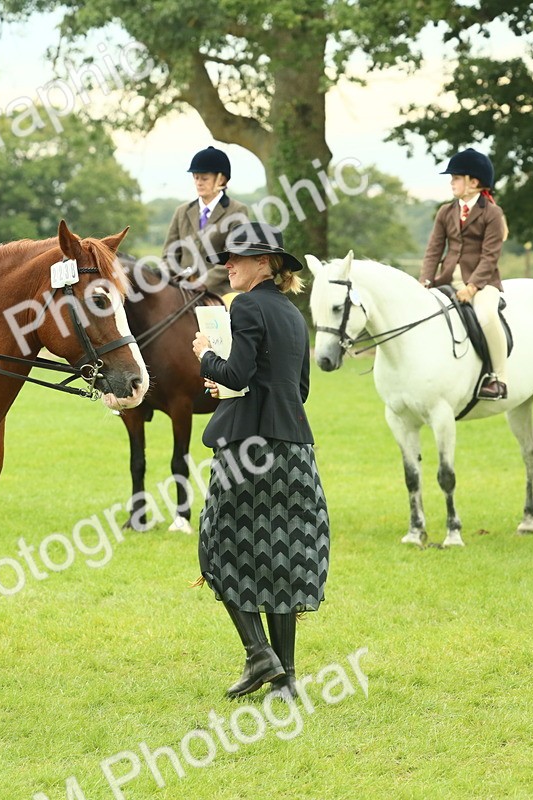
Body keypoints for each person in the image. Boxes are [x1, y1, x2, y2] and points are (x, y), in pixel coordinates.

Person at [190, 222, 330, 699]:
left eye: (238, 258)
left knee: (217, 547)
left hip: (249, 449)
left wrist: (208, 358)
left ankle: (258, 653)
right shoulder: (293, 314)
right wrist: (230, 388)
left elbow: (239, 370)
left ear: (266, 264)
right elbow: (298, 389)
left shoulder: (246, 305)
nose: (228, 265)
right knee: (282, 556)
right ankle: (286, 679)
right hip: (294, 449)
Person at [421, 147, 509, 400]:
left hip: (482, 283)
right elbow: (433, 251)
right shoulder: (445, 212)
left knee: (486, 315)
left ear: (474, 182)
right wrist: (425, 281)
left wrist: (472, 287)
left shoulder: (492, 213)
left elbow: (490, 256)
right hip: (447, 281)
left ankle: (499, 378)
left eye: (456, 177)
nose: (451, 182)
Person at [162, 146, 251, 297]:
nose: (198, 183)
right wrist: (166, 277)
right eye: (196, 178)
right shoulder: (181, 212)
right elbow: (169, 255)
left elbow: (234, 256)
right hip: (181, 291)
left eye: (204, 178)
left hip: (218, 292)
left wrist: (201, 282)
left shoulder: (237, 211)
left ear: (221, 179)